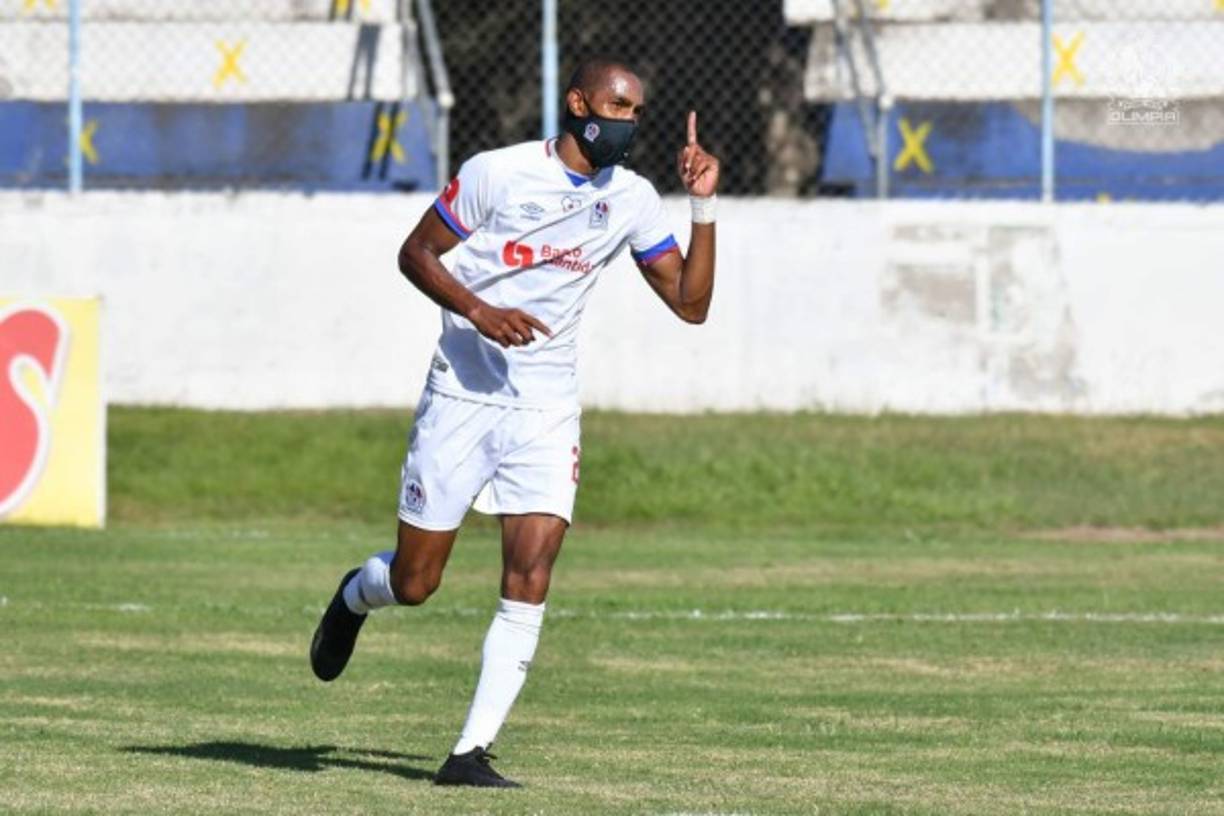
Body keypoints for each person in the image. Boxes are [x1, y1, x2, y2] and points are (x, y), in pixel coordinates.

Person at [309, 57, 720, 788]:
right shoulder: (498, 172)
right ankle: (353, 596)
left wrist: (704, 207)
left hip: (545, 409)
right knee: (416, 582)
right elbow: (416, 253)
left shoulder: (630, 199)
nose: (628, 124)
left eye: (637, 114)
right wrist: (479, 311)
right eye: (617, 107)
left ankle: (468, 754)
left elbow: (692, 305)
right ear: (578, 104)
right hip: (462, 396)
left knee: (530, 572)